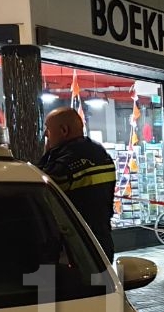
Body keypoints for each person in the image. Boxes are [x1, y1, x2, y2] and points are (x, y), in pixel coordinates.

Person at [38, 108, 118, 261]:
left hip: (74, 249)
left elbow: (41, 188)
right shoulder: (99, 152)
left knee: (44, 284)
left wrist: (47, 152)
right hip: (101, 242)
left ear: (64, 130)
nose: (46, 135)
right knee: (100, 283)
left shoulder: (65, 160)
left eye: (48, 130)